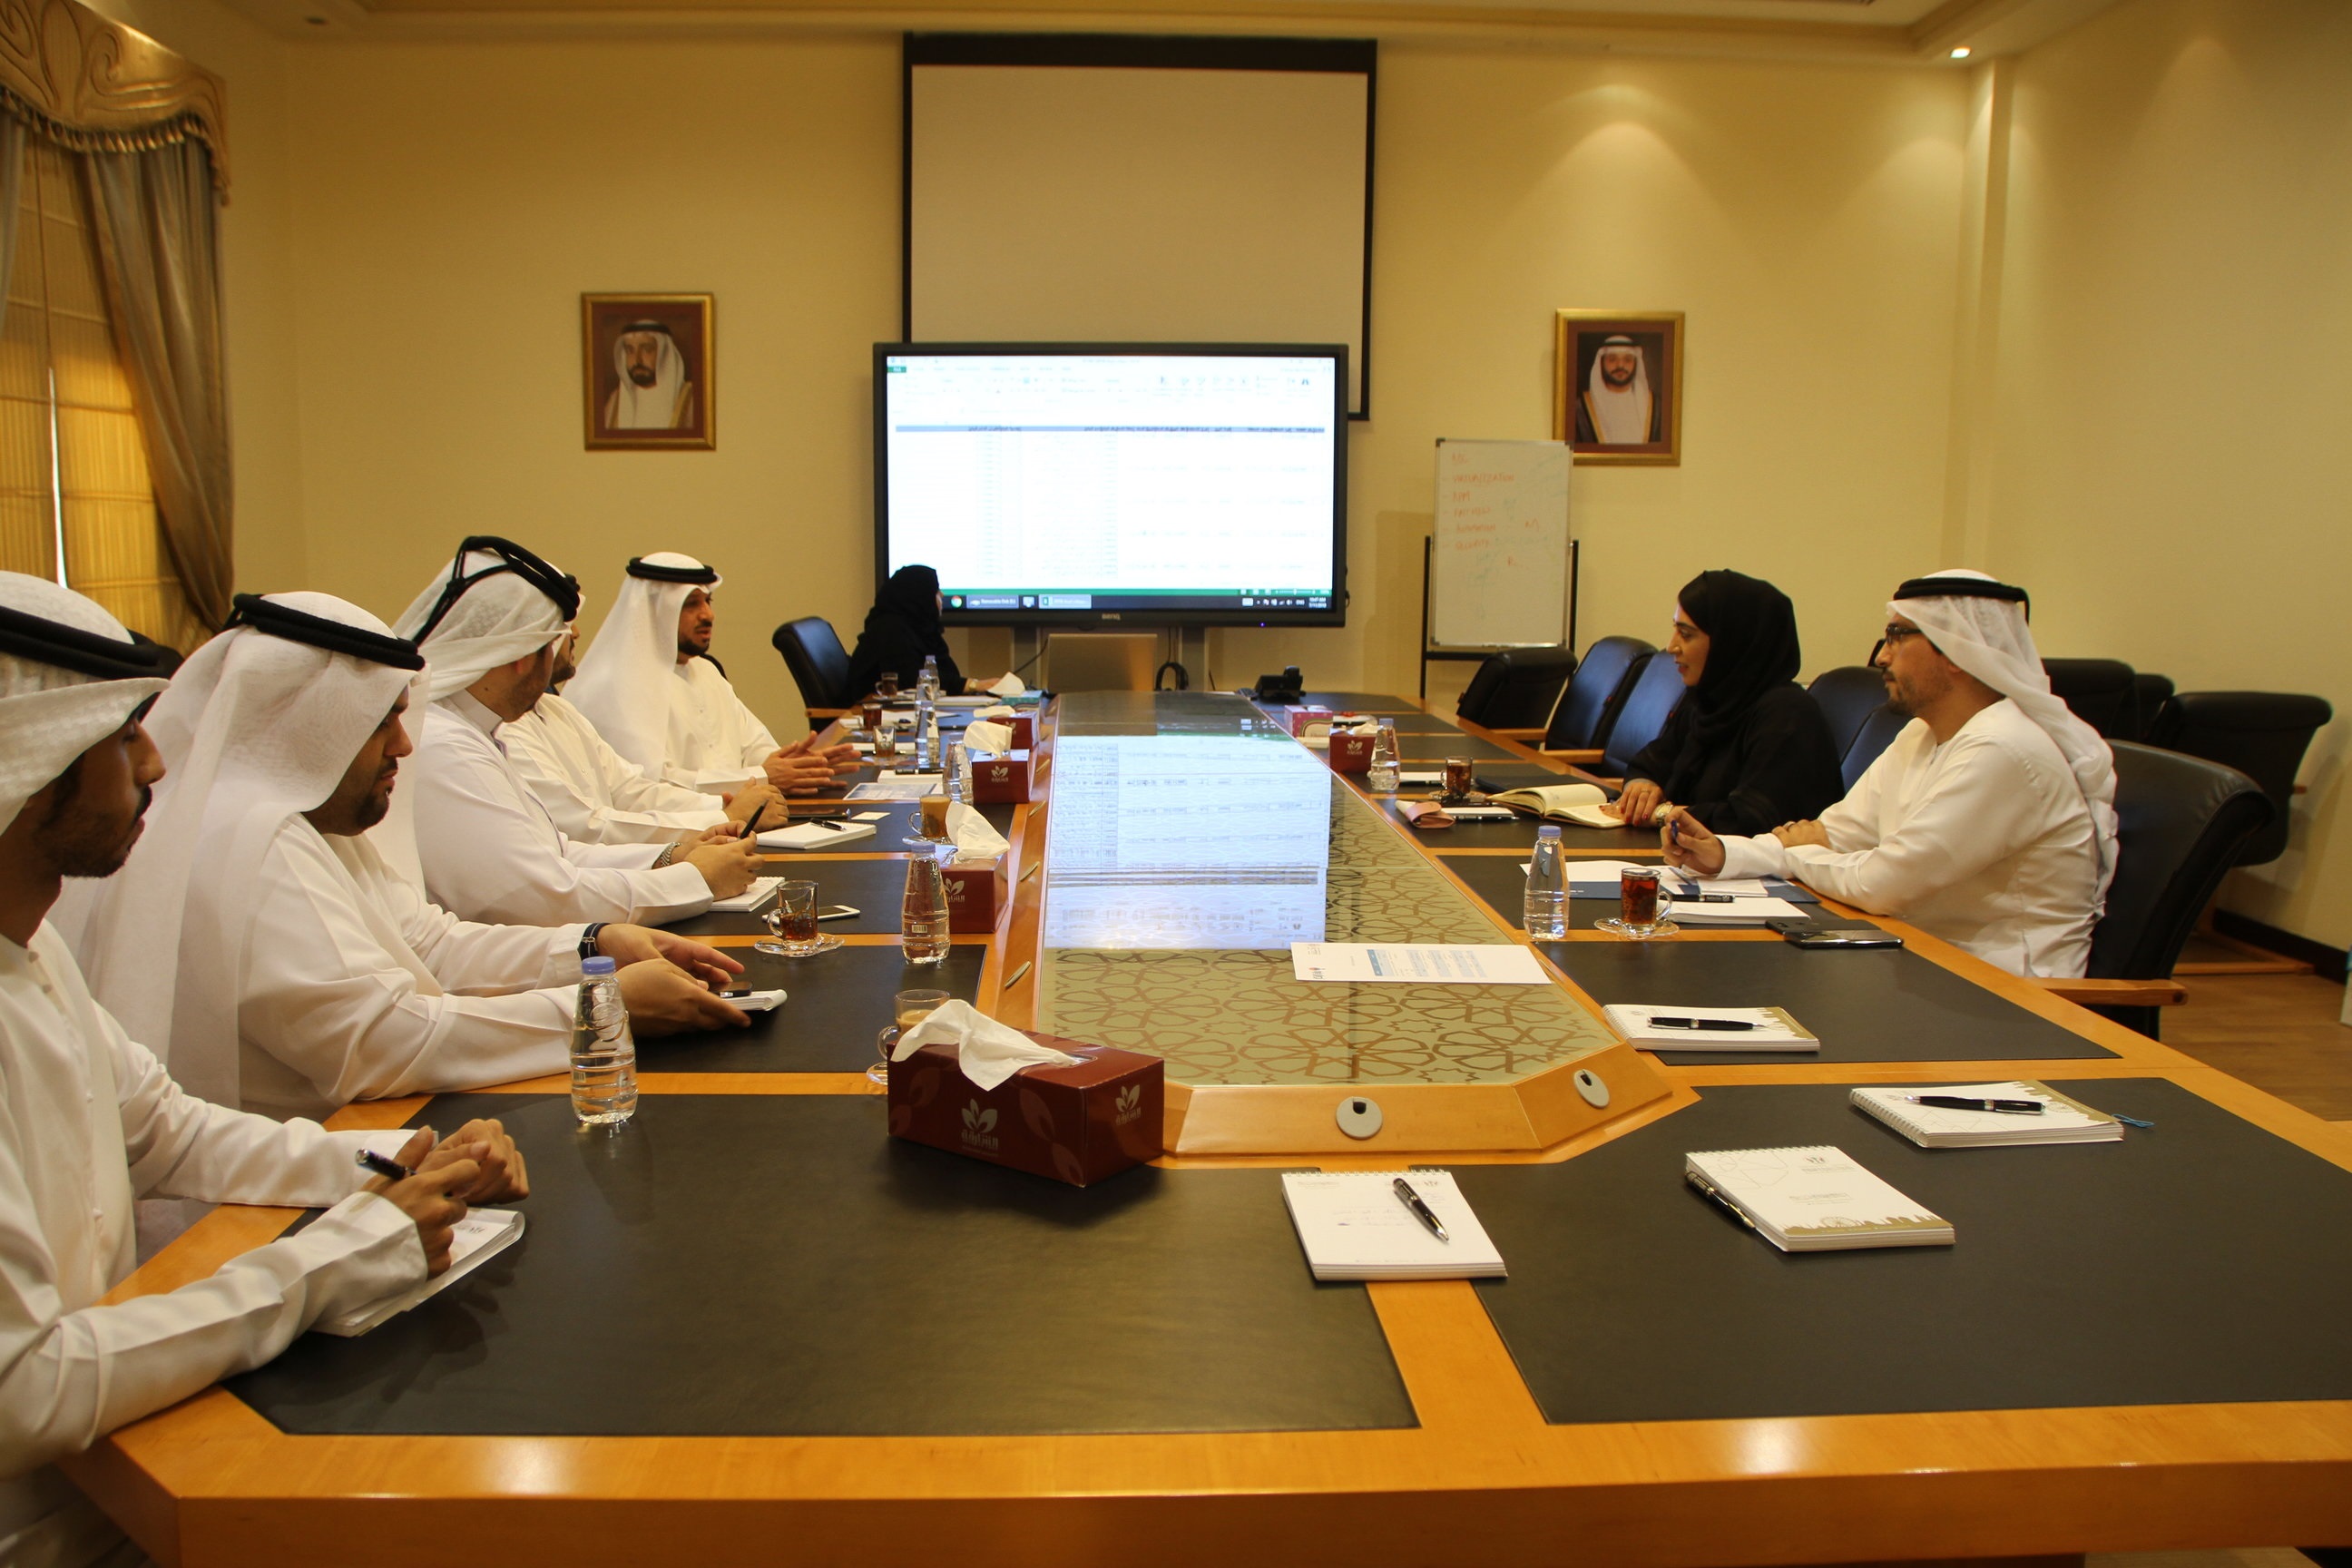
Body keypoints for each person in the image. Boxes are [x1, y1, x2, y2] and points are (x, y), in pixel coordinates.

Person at [0, 572, 528, 1568]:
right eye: (122, 736)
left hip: (121, 1468)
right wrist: (333, 1261)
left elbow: (166, 1128)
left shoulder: (31, 948)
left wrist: (403, 1162)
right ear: (29, 765)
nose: (155, 759)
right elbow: (24, 1389)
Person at [66, 591, 749, 1122]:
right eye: (382, 722)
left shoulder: (315, 822)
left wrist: (596, 945)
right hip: (271, 1200)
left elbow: (427, 942)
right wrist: (600, 1007)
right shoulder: (246, 840)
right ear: (317, 729)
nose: (403, 745)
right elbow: (375, 1039)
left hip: (369, 1141)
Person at [1662, 570, 2115, 978]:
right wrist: (1724, 853)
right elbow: (1839, 832)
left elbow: (1880, 884)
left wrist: (1797, 855)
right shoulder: (1922, 733)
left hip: (2004, 991)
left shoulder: (2003, 748)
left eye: (1897, 637)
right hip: (1917, 958)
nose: (1882, 657)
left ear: (1955, 649)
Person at [390, 538, 760, 926]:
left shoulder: (477, 728)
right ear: (523, 655)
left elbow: (557, 852)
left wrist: (673, 855)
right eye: (559, 634)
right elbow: (538, 896)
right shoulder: (444, 745)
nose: (576, 635)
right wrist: (696, 880)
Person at [567, 551, 858, 789]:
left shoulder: (706, 671)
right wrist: (761, 777)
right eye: (691, 604)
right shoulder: (616, 686)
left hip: (739, 816)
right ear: (656, 610)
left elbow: (753, 745)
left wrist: (799, 767)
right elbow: (651, 785)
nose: (708, 615)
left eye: (708, 601)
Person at [1608, 571, 1843, 836]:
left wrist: (1663, 815)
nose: (1671, 646)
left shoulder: (1788, 714)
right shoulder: (1709, 700)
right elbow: (1651, 763)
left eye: (1686, 634)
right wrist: (1642, 786)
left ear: (1731, 641)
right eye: (1675, 630)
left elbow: (1751, 820)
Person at [505, 626, 786, 846]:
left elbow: (631, 790)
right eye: (562, 624)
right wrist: (724, 816)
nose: (575, 632)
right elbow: (586, 828)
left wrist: (725, 805)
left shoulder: (557, 708)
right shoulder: (507, 730)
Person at [843, 564, 1015, 699]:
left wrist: (970, 685)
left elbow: (943, 674)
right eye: (936, 591)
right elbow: (910, 680)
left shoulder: (917, 629)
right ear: (919, 597)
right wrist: (972, 685)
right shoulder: (890, 631)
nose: (942, 595)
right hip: (868, 717)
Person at [603, 318, 695, 430]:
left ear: (664, 354)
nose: (637, 360)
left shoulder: (689, 400)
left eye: (646, 350)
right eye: (630, 351)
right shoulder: (615, 402)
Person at [1573, 336, 1661, 446]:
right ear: (1601, 363)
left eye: (1627, 360)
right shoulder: (1580, 408)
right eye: (1612, 360)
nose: (1620, 365)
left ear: (1636, 363)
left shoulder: (1655, 406)